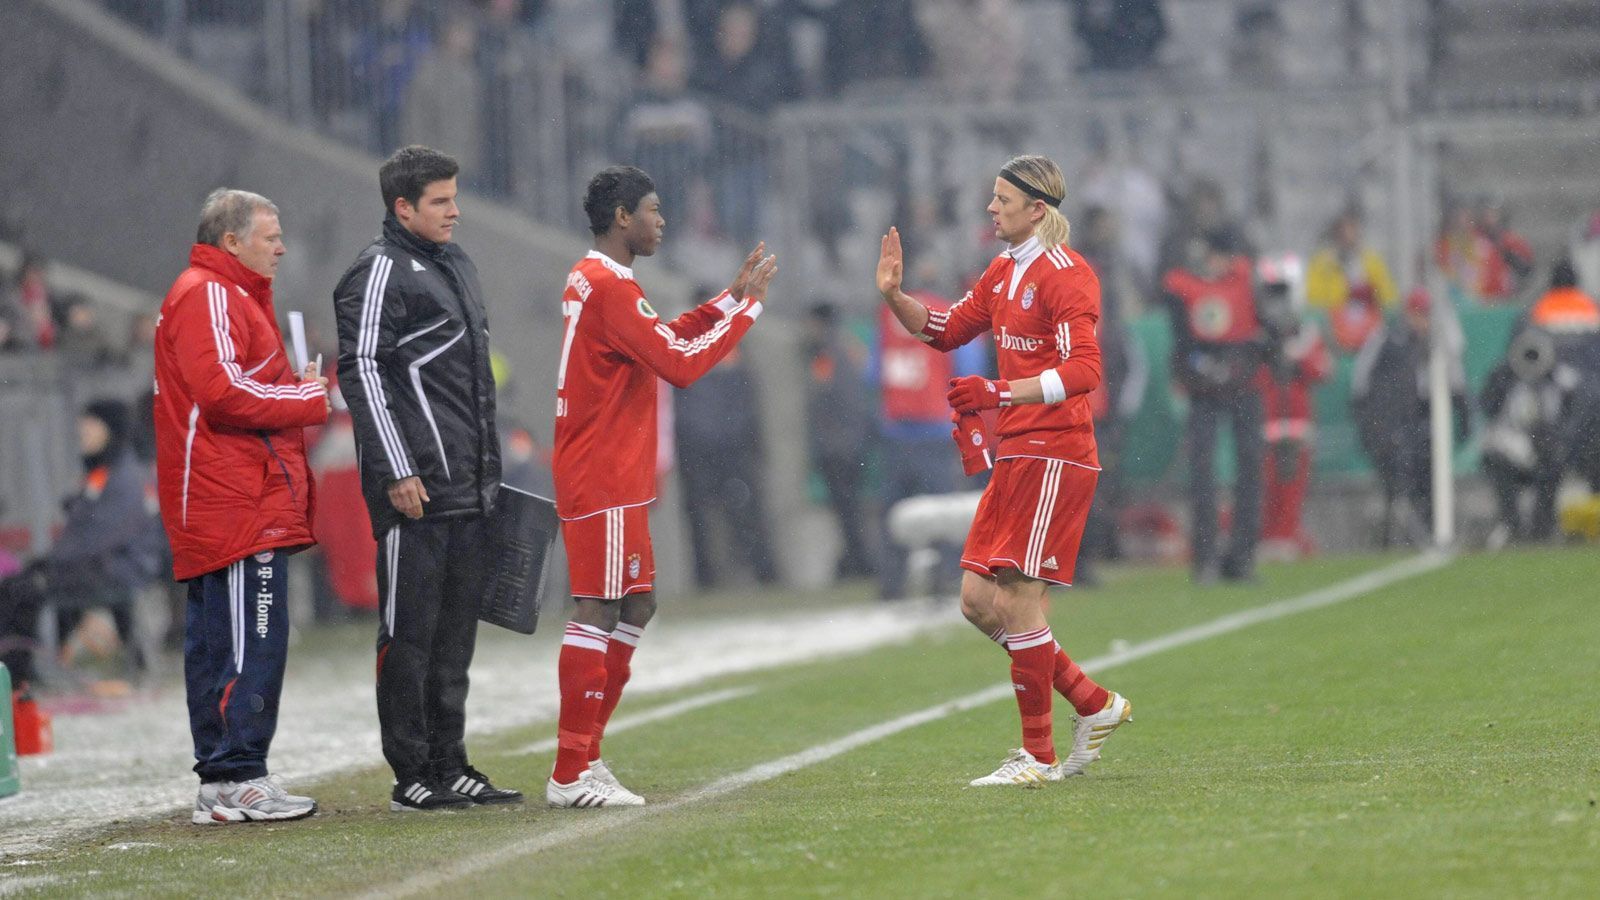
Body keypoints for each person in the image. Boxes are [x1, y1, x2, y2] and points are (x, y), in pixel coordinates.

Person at [875, 154, 1131, 787]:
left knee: (1017, 597)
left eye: (1001, 200)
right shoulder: (1002, 270)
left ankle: (1037, 757)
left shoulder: (1068, 275)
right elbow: (942, 329)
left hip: (1055, 452)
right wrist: (894, 296)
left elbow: (1086, 372)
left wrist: (1002, 393)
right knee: (975, 600)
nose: (990, 209)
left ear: (1036, 209)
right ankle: (1093, 704)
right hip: (1018, 452)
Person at [548, 165, 776, 807]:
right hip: (603, 467)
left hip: (613, 466)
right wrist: (748, 313)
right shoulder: (607, 286)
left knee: (636, 603)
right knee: (598, 605)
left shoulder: (601, 279)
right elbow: (679, 364)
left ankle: (586, 756)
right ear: (622, 216)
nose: (661, 220)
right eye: (652, 209)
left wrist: (730, 299)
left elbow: (663, 337)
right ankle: (571, 770)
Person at [333, 145, 521, 812]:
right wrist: (397, 469)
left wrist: (488, 479)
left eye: (454, 197)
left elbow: (470, 388)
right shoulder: (378, 270)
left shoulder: (458, 265)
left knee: (454, 638)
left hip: (467, 487)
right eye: (440, 201)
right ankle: (410, 772)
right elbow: (361, 371)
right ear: (402, 206)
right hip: (414, 493)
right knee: (408, 637)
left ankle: (452, 762)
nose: (454, 211)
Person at [152, 188, 329, 824]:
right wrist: (308, 401)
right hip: (233, 502)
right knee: (249, 642)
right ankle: (237, 776)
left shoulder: (222, 293)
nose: (281, 246)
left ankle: (227, 782)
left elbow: (233, 387)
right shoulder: (209, 292)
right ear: (232, 241)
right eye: (270, 235)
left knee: (222, 644)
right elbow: (222, 391)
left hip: (233, 498)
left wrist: (291, 388)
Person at [0, 400, 164, 688]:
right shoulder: (103, 471)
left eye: (90, 425)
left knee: (23, 589)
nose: (82, 432)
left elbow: (97, 538)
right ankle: (21, 668)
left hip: (117, 569)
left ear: (111, 430)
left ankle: (17, 672)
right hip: (100, 565)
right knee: (20, 585)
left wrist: (49, 564)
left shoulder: (125, 477)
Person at [1163, 230, 1269, 583]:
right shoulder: (1184, 286)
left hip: (1242, 382)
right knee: (1203, 472)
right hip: (1204, 388)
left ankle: (1242, 557)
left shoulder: (1246, 281)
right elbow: (1181, 341)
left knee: (1249, 467)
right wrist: (1200, 366)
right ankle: (1206, 558)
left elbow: (1266, 329)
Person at [803, 302, 877, 582]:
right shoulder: (850, 347)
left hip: (838, 447)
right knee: (853, 508)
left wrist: (826, 445)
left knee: (847, 511)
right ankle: (859, 559)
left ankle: (859, 562)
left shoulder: (826, 355)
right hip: (855, 442)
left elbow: (824, 400)